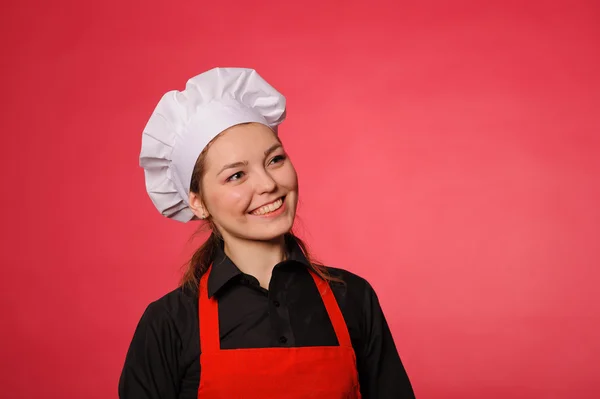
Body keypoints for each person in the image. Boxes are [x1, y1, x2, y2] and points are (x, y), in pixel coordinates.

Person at [119, 67, 415, 398]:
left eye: (274, 160)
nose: (268, 184)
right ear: (198, 203)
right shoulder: (170, 323)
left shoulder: (353, 298)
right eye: (236, 176)